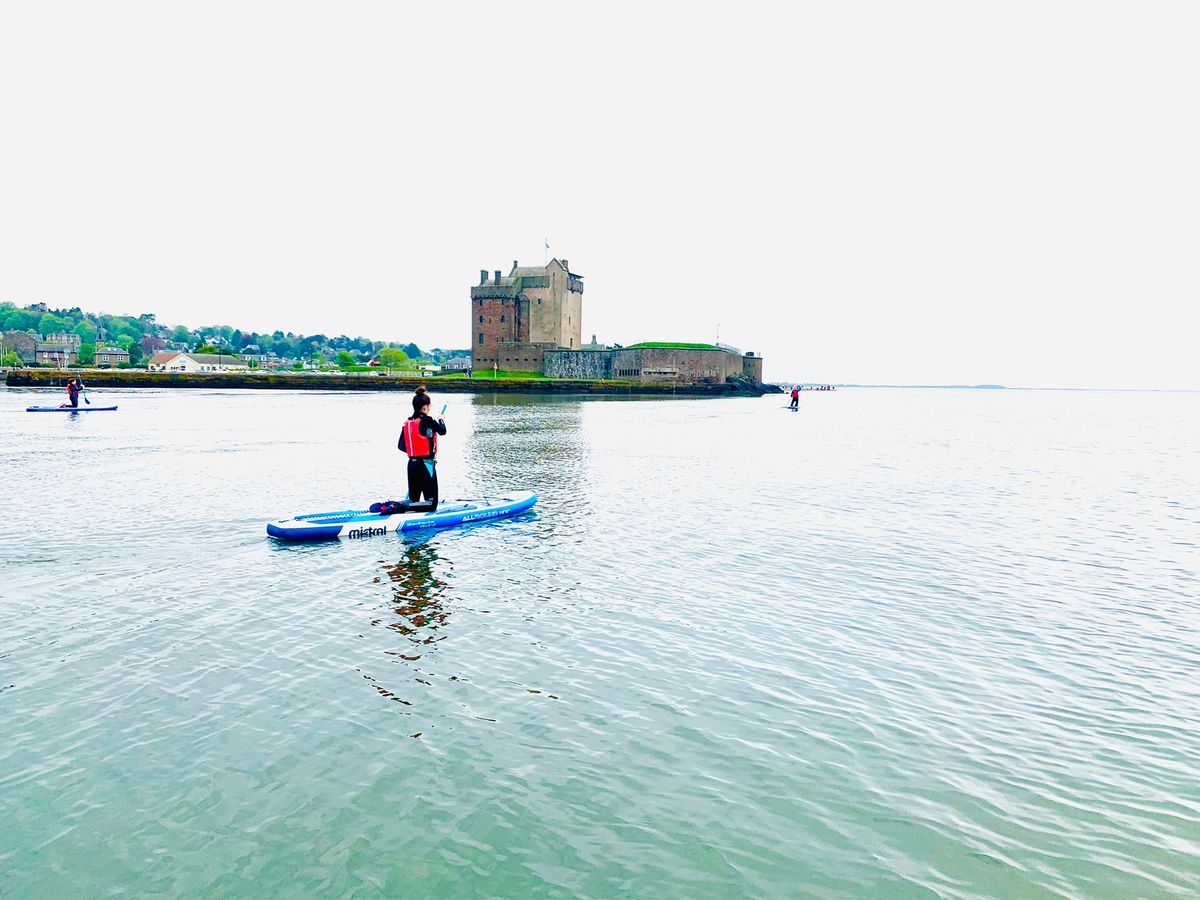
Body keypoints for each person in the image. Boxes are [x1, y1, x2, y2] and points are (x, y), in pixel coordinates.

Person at [398, 386, 447, 510]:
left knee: (414, 499)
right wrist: (441, 420)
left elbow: (402, 446)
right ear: (426, 407)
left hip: (412, 465)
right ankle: (403, 507)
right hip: (426, 465)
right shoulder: (428, 420)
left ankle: (404, 505)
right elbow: (442, 431)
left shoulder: (407, 422)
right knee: (431, 504)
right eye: (429, 406)